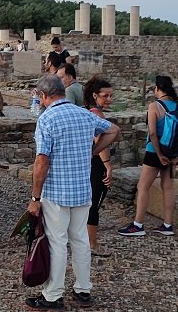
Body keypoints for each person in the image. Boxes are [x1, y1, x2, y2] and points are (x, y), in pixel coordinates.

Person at [25, 75, 120, 310]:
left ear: (44, 96)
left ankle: (53, 295)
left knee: (57, 242)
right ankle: (83, 289)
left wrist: (35, 197)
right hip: (82, 190)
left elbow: (42, 162)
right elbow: (113, 130)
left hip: (57, 191)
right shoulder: (84, 114)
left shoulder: (47, 119)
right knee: (80, 240)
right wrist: (93, 151)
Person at [118, 75, 178, 237]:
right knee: (167, 188)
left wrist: (159, 154)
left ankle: (138, 224)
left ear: (158, 89)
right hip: (171, 152)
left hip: (155, 152)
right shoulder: (176, 106)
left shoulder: (155, 106)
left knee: (143, 187)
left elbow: (152, 132)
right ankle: (168, 225)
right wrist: (176, 155)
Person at [83, 76, 115, 257]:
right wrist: (108, 165)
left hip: (86, 164)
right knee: (94, 204)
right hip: (96, 164)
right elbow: (100, 140)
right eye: (105, 96)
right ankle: (92, 244)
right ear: (95, 95)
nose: (109, 100)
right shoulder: (96, 114)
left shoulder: (85, 110)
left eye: (111, 96)